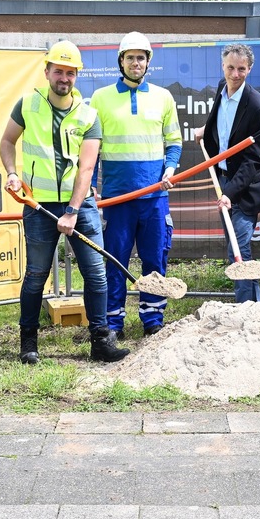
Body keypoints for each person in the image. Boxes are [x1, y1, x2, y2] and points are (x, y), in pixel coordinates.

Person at [0, 40, 129, 364]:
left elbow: (87, 168)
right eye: (59, 71)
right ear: (47, 71)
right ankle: (28, 342)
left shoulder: (88, 115)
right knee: (35, 276)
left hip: (80, 207)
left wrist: (72, 211)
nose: (64, 78)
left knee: (96, 274)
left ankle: (100, 341)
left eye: (71, 73)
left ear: (76, 76)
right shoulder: (26, 105)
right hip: (38, 206)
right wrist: (13, 173)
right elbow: (6, 142)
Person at [91, 31, 182, 338]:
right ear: (121, 61)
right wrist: (91, 185)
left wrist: (169, 169)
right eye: (130, 57)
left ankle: (153, 319)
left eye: (140, 57)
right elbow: (91, 147)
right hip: (117, 199)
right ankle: (113, 322)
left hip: (154, 197)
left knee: (155, 259)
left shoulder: (163, 97)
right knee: (115, 260)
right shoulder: (101, 98)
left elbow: (174, 143)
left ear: (148, 62)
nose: (135, 63)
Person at [197, 43, 260, 303]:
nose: (235, 74)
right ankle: (255, 307)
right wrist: (204, 130)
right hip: (224, 180)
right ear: (223, 66)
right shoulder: (221, 87)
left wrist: (229, 193)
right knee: (236, 249)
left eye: (241, 69)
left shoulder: (257, 106)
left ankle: (247, 309)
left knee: (239, 251)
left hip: (245, 189)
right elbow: (221, 124)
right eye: (230, 67)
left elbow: (254, 159)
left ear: (249, 69)